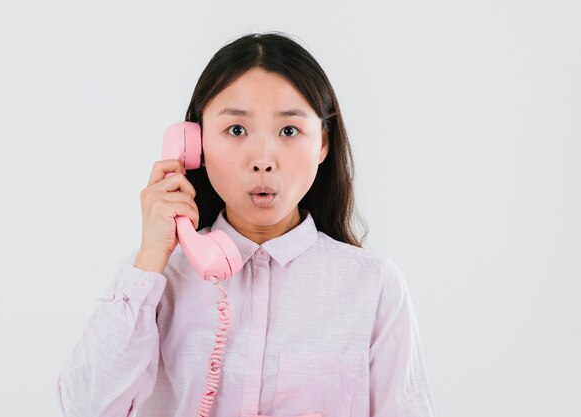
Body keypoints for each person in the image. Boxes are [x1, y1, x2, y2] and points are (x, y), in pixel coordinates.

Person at [56, 32, 436, 417]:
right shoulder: (156, 279)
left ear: (323, 143)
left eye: (289, 131)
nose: (263, 160)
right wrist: (151, 258)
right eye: (236, 130)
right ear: (195, 145)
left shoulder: (373, 286)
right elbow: (84, 408)